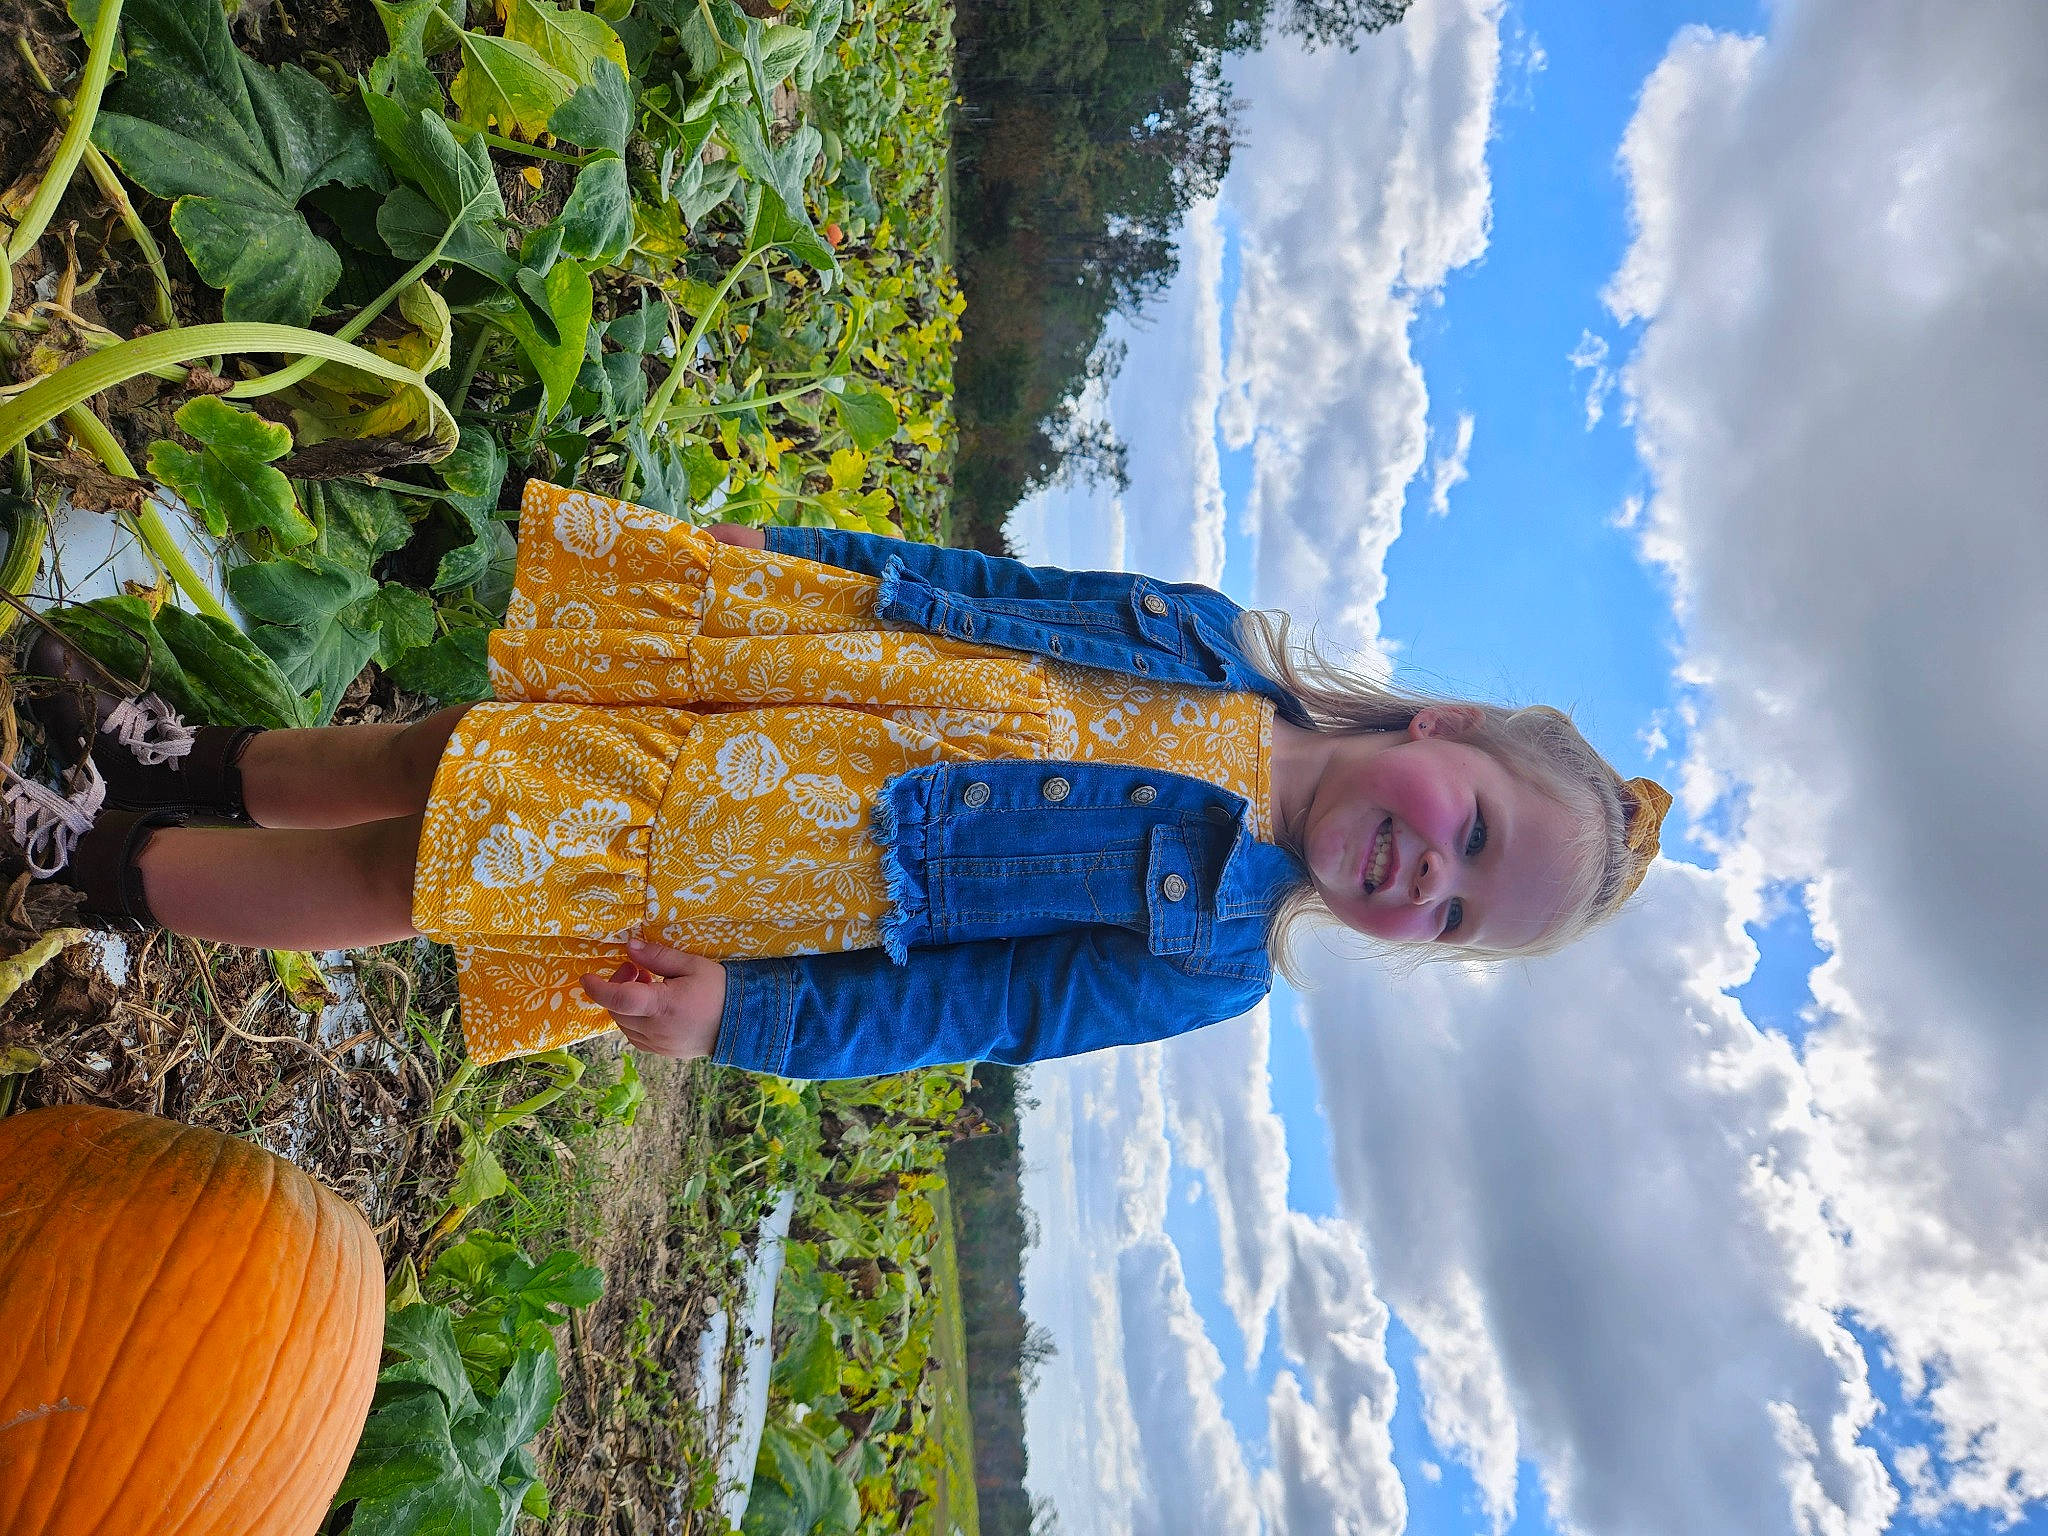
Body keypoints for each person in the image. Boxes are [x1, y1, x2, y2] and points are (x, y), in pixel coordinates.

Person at [11, 481, 1670, 1081]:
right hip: (781, 677)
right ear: (1445, 730)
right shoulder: (1210, 636)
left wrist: (745, 1016)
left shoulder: (1213, 957)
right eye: (1474, 838)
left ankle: (94, 862)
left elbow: (974, 1013)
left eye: (1458, 919)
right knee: (445, 747)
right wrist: (792, 553)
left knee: (419, 869)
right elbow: (982, 588)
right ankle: (180, 757)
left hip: (737, 856)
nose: (1428, 883)